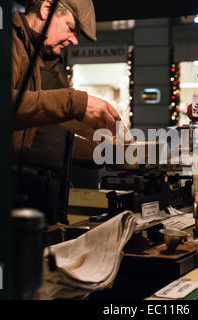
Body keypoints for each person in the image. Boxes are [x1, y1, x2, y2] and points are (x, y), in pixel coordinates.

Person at [12, 0, 117, 225]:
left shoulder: (52, 60)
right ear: (46, 9)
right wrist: (76, 102)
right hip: (10, 196)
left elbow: (49, 139)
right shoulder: (8, 42)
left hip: (49, 196)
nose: (74, 40)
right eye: (71, 28)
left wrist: (107, 152)